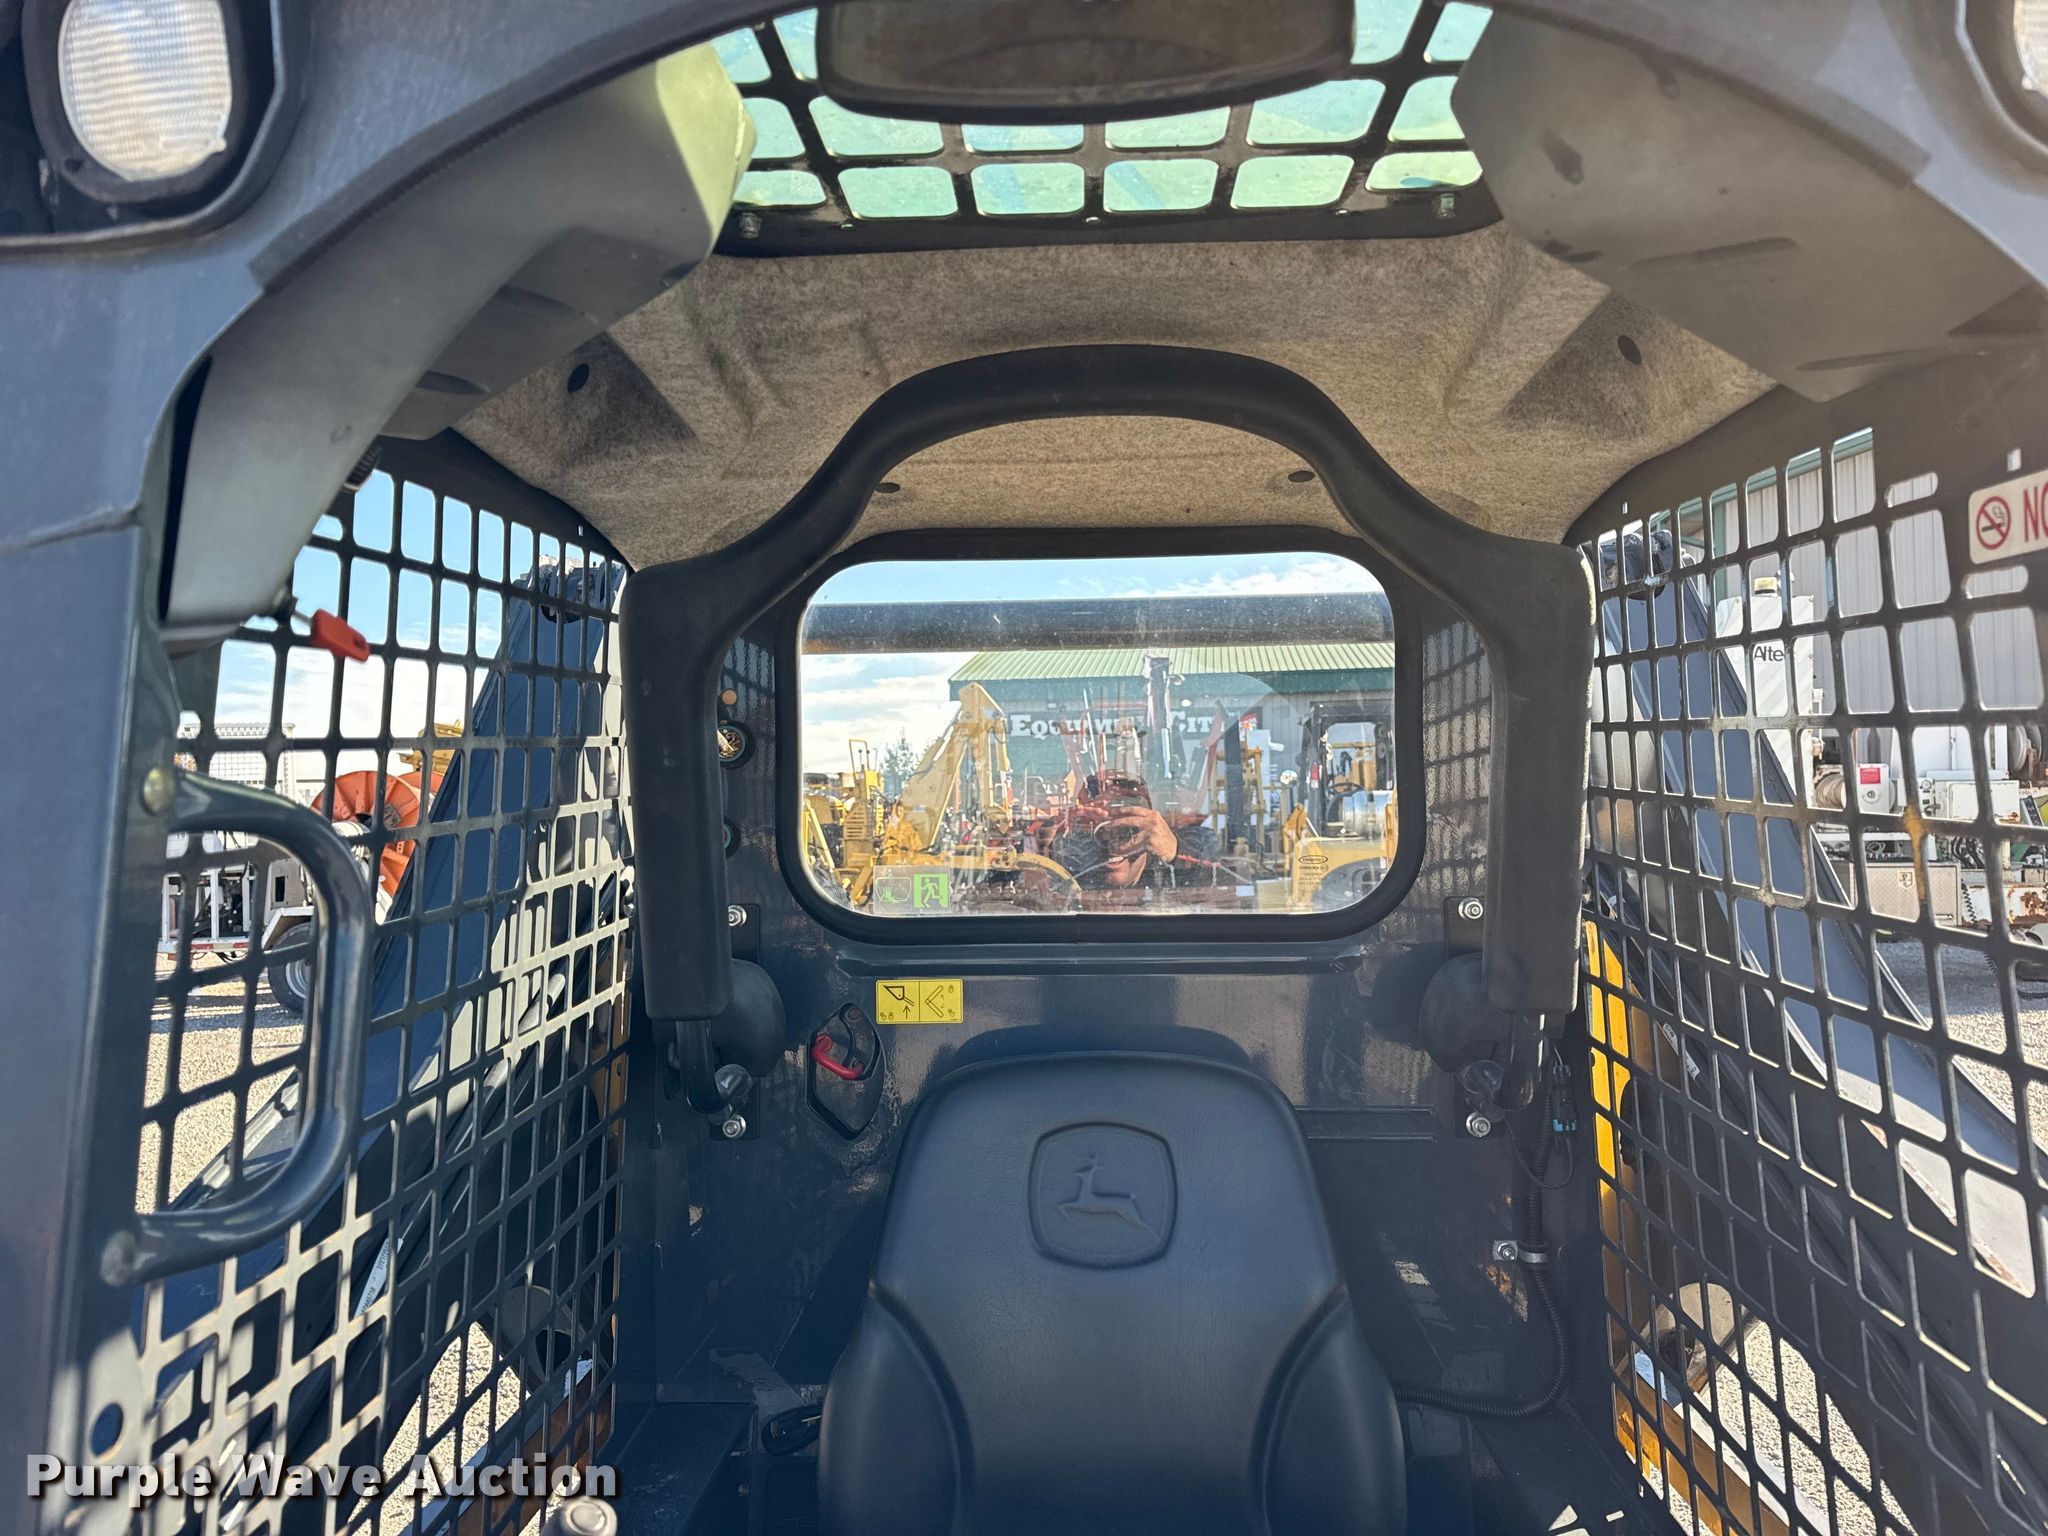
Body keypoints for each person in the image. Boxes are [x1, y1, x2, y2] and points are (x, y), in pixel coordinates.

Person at [1047, 772, 1224, 901]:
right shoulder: (1071, 860)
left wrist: (1176, 851)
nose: (1113, 840)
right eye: (1101, 830)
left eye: (1127, 829)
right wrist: (1045, 848)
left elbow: (1224, 882)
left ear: (1151, 825)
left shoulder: (1177, 854)